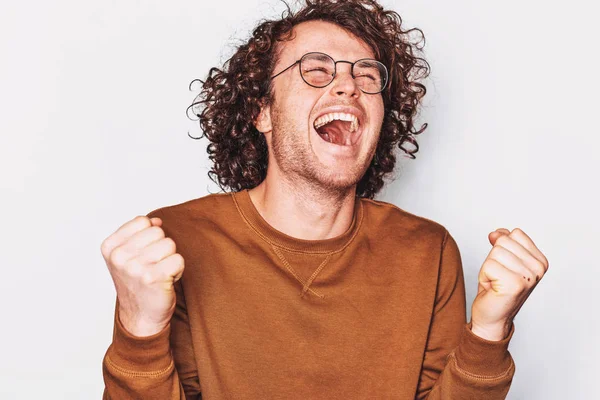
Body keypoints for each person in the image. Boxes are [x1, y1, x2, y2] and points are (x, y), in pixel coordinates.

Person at [100, 1, 549, 399]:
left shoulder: (428, 252)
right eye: (316, 70)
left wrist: (490, 333)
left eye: (367, 75)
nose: (348, 86)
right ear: (263, 111)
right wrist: (140, 332)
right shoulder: (177, 244)